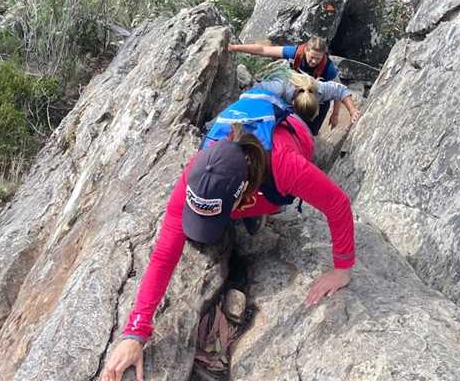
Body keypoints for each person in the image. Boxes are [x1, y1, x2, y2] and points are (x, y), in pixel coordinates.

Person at [100, 117, 355, 381]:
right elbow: (164, 257)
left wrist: (342, 269)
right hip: (245, 186)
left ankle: (259, 209)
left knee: (271, 204)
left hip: (292, 137)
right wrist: (135, 332)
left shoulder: (287, 166)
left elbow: (338, 204)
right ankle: (245, 213)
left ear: (243, 191)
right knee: (207, 235)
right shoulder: (198, 173)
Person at [228, 37, 341, 134]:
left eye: (318, 58)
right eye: (312, 57)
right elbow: (264, 50)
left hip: (317, 100)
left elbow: (338, 91)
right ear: (306, 50)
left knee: (310, 130)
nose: (314, 61)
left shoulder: (328, 68)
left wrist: (335, 114)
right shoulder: (295, 53)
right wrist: (235, 48)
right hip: (294, 93)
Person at [247, 71, 361, 133]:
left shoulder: (320, 89)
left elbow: (340, 90)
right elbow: (254, 88)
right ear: (293, 104)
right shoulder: (278, 88)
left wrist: (352, 110)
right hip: (278, 99)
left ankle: (309, 132)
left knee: (310, 128)